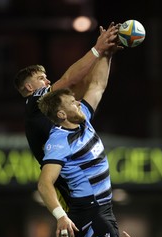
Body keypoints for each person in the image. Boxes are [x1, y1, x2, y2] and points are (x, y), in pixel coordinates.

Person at [14, 22, 120, 212]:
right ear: (29, 88)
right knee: (75, 233)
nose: (47, 81)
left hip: (79, 181)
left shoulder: (68, 112)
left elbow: (92, 85)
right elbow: (69, 80)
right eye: (41, 78)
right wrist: (97, 49)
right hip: (66, 182)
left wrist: (106, 54)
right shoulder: (34, 103)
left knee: (78, 236)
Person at [37, 42, 121, 237]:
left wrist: (107, 53)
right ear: (62, 114)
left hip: (103, 209)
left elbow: (97, 85)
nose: (79, 104)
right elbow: (45, 183)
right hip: (91, 212)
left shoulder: (82, 118)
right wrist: (60, 216)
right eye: (73, 102)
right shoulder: (59, 141)